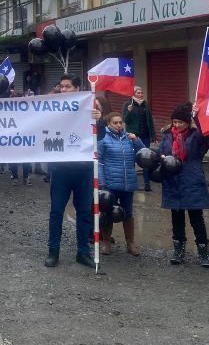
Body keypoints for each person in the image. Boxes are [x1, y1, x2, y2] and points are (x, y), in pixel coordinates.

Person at [45, 74, 101, 269]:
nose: (63, 90)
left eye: (68, 87)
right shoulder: (53, 107)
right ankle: (53, 251)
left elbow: (97, 136)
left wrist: (97, 120)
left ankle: (83, 252)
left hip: (83, 168)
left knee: (85, 211)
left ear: (78, 88)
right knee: (56, 211)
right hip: (61, 168)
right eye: (61, 86)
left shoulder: (90, 106)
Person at [158, 103, 209, 267]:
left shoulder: (196, 136)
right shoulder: (168, 137)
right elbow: (161, 152)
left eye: (180, 122)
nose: (176, 125)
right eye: (174, 122)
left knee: (197, 219)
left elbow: (207, 136)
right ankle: (178, 250)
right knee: (177, 218)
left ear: (187, 122)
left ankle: (204, 252)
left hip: (191, 180)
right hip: (173, 181)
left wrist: (197, 117)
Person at [97, 111, 145, 256]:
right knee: (107, 212)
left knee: (128, 213)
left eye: (120, 122)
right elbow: (98, 161)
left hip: (127, 182)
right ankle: (106, 242)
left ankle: (130, 243)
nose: (118, 125)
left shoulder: (128, 137)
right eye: (115, 123)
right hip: (110, 183)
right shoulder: (102, 138)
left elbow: (142, 153)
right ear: (108, 124)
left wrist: (136, 140)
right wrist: (102, 183)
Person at [122, 86, 156, 191]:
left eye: (141, 92)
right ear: (133, 94)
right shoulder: (128, 104)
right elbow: (125, 120)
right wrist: (129, 111)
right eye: (138, 93)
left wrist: (153, 135)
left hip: (145, 135)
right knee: (132, 159)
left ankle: (147, 184)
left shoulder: (145, 104)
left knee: (146, 159)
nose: (141, 94)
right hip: (133, 136)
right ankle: (131, 183)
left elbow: (150, 120)